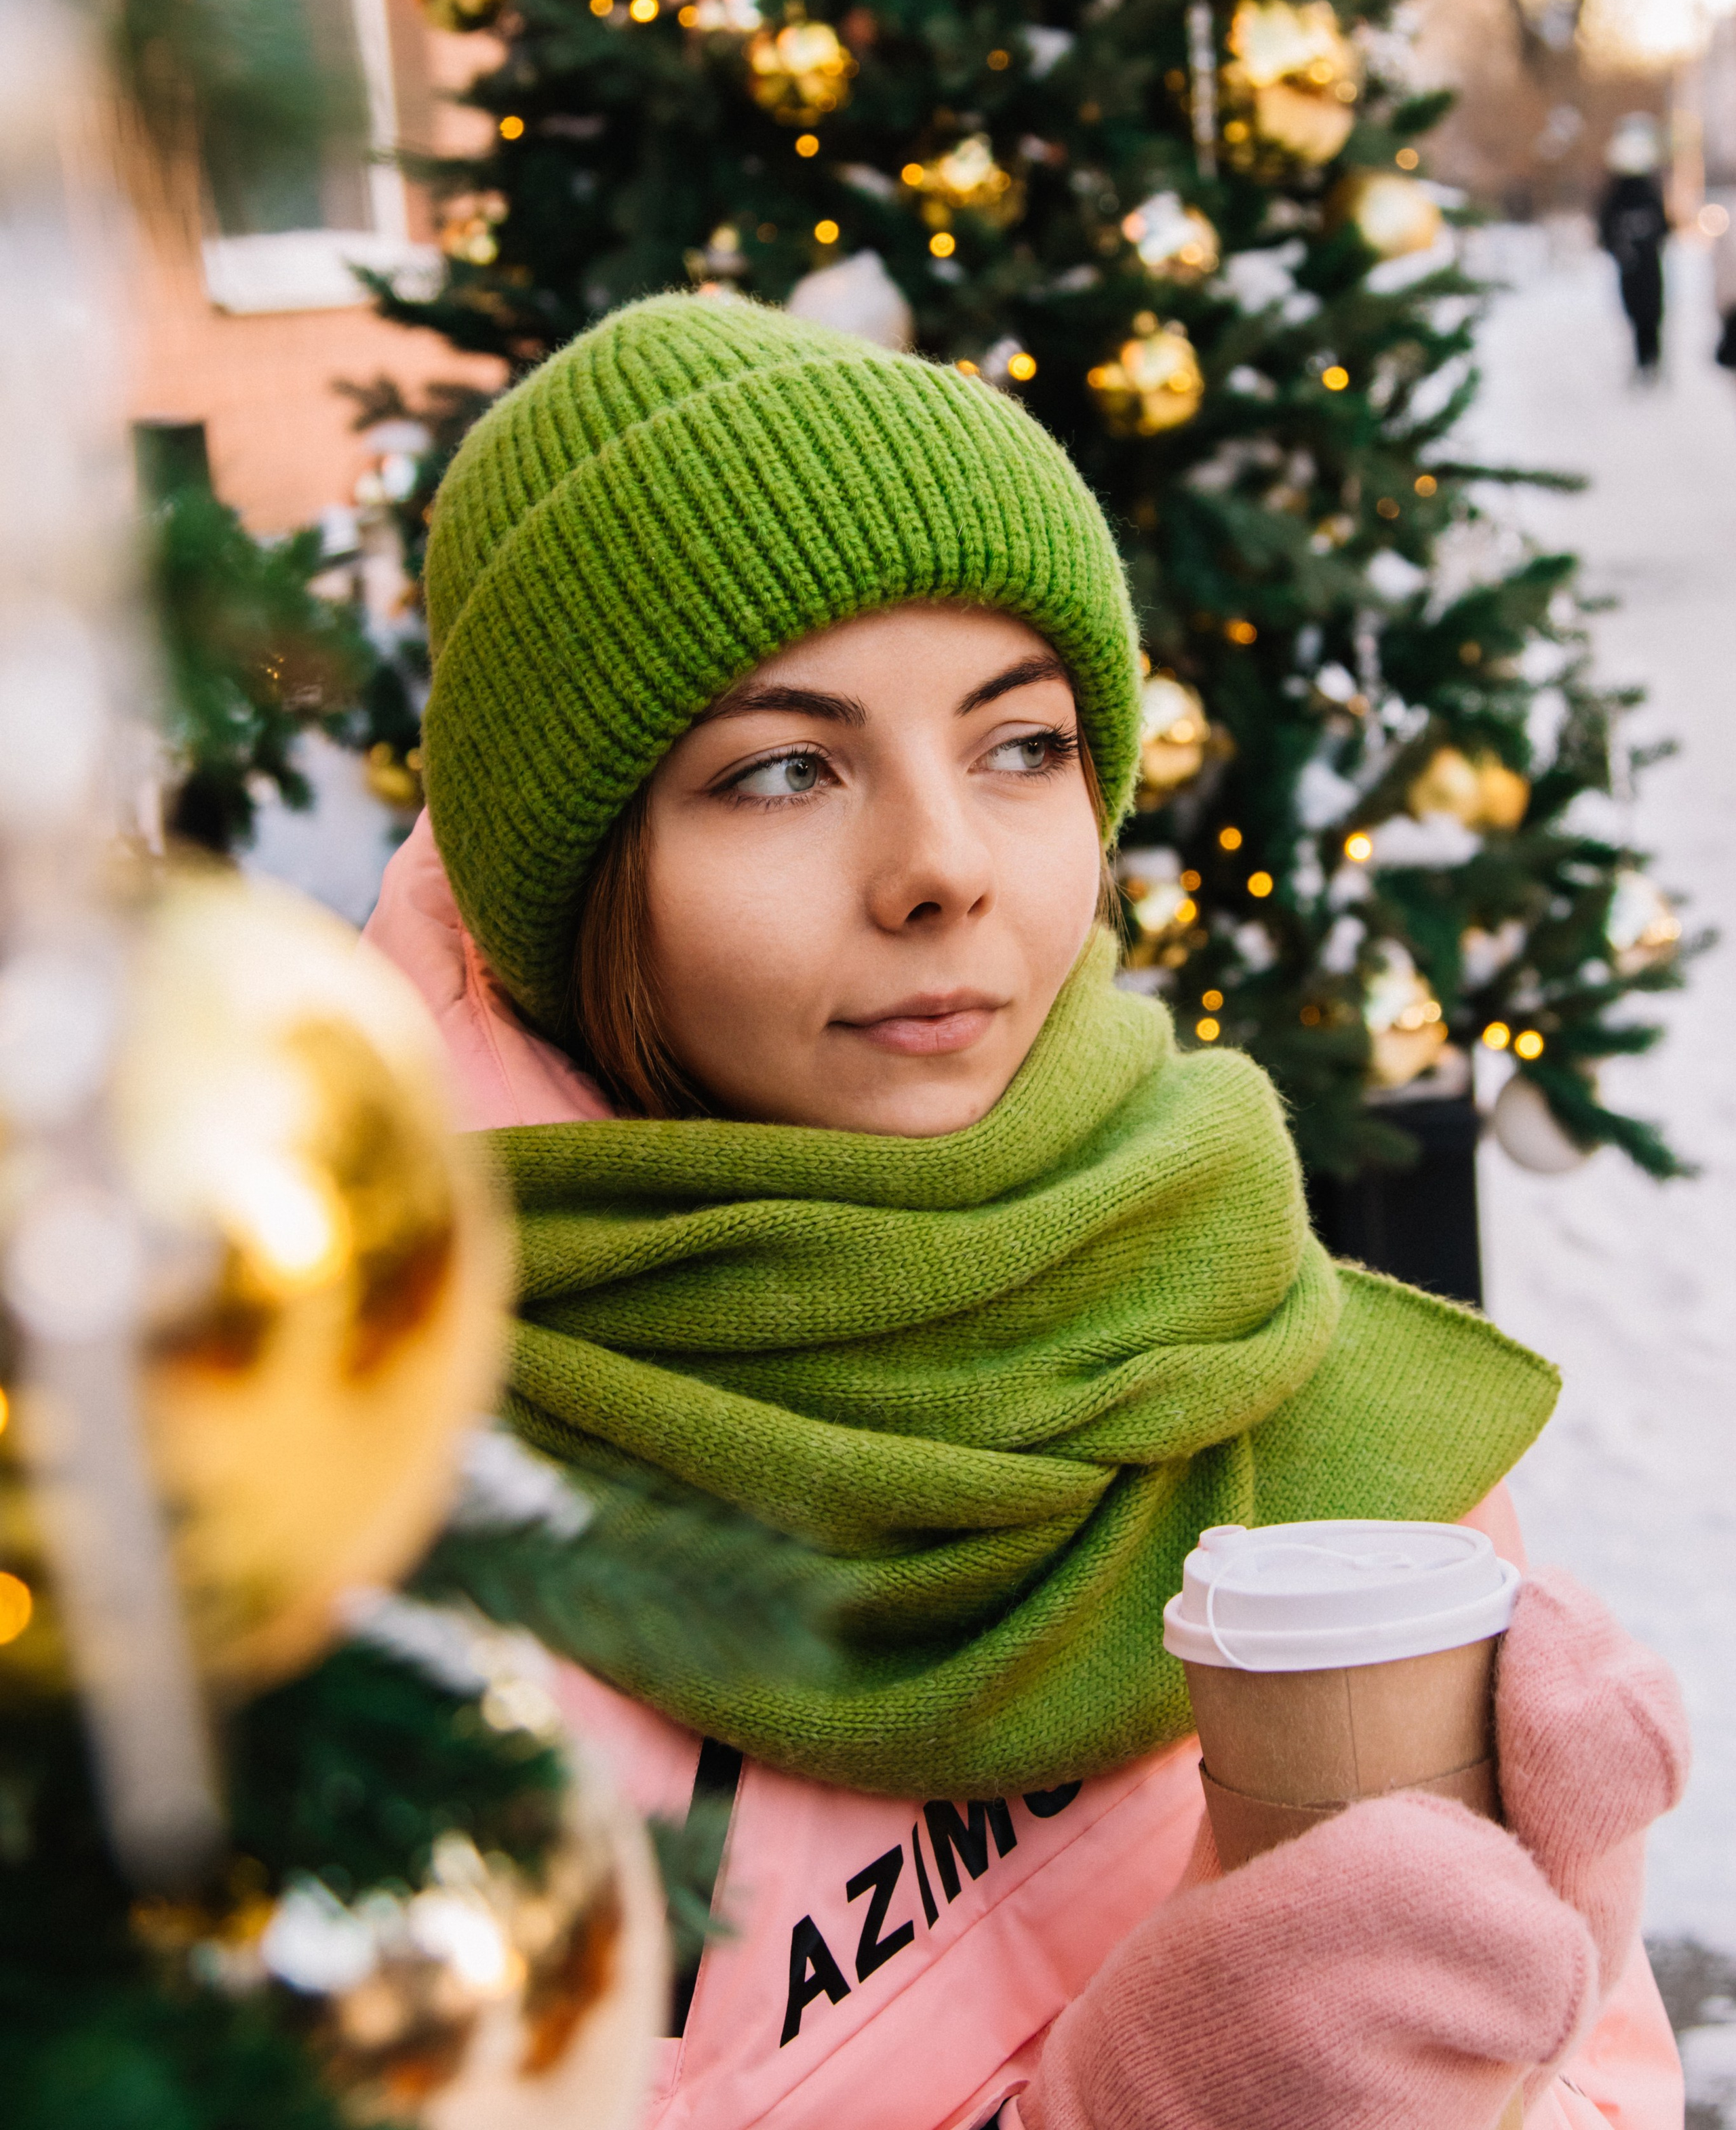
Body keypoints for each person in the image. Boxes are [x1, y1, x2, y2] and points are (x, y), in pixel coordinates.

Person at [365, 293, 1688, 2130]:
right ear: (578, 885)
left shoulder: (1246, 1341)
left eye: (1020, 744)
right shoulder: (372, 1561)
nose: (942, 868)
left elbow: (1612, 2080)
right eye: (781, 769)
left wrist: (1525, 2057)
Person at [1597, 114, 1671, 380]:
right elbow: (1605, 230)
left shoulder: (1643, 192)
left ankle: (1651, 360)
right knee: (1643, 314)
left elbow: (1664, 228)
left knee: (1648, 314)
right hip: (1635, 265)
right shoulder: (1621, 195)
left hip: (1644, 264)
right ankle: (1646, 360)